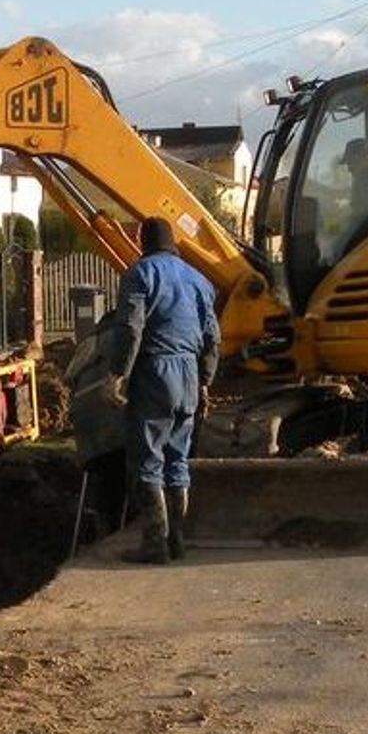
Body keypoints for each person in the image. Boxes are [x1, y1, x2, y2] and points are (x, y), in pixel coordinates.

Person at [103, 216, 220, 564]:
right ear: (175, 242)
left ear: (142, 241)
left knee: (148, 458)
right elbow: (213, 337)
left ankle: (155, 544)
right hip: (188, 375)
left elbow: (130, 327)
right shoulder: (200, 281)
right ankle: (177, 541)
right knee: (177, 457)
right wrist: (205, 381)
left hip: (156, 371)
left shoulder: (141, 274)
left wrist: (117, 374)